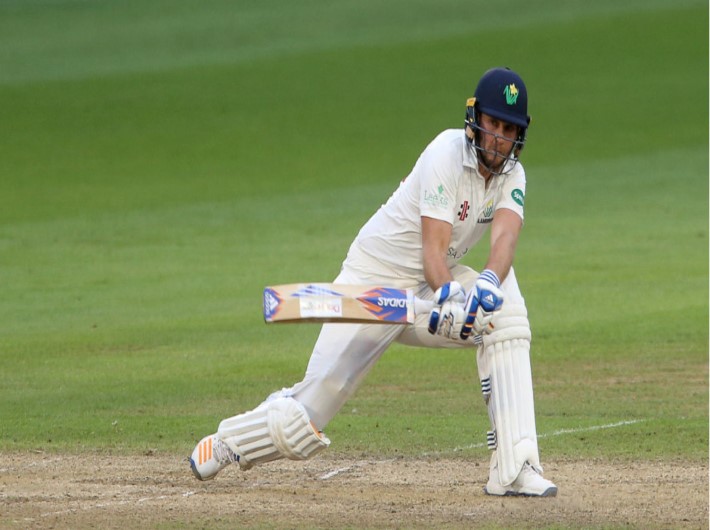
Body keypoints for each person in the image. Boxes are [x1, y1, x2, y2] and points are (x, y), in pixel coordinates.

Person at [190, 67, 557, 497]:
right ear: (476, 120)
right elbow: (432, 252)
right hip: (375, 284)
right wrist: (450, 296)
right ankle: (232, 440)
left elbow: (506, 236)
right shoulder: (445, 153)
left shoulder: (514, 176)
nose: (498, 137)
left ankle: (514, 468)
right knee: (305, 419)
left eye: (508, 129)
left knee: (505, 313)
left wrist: (488, 283)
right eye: (493, 124)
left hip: (431, 288)